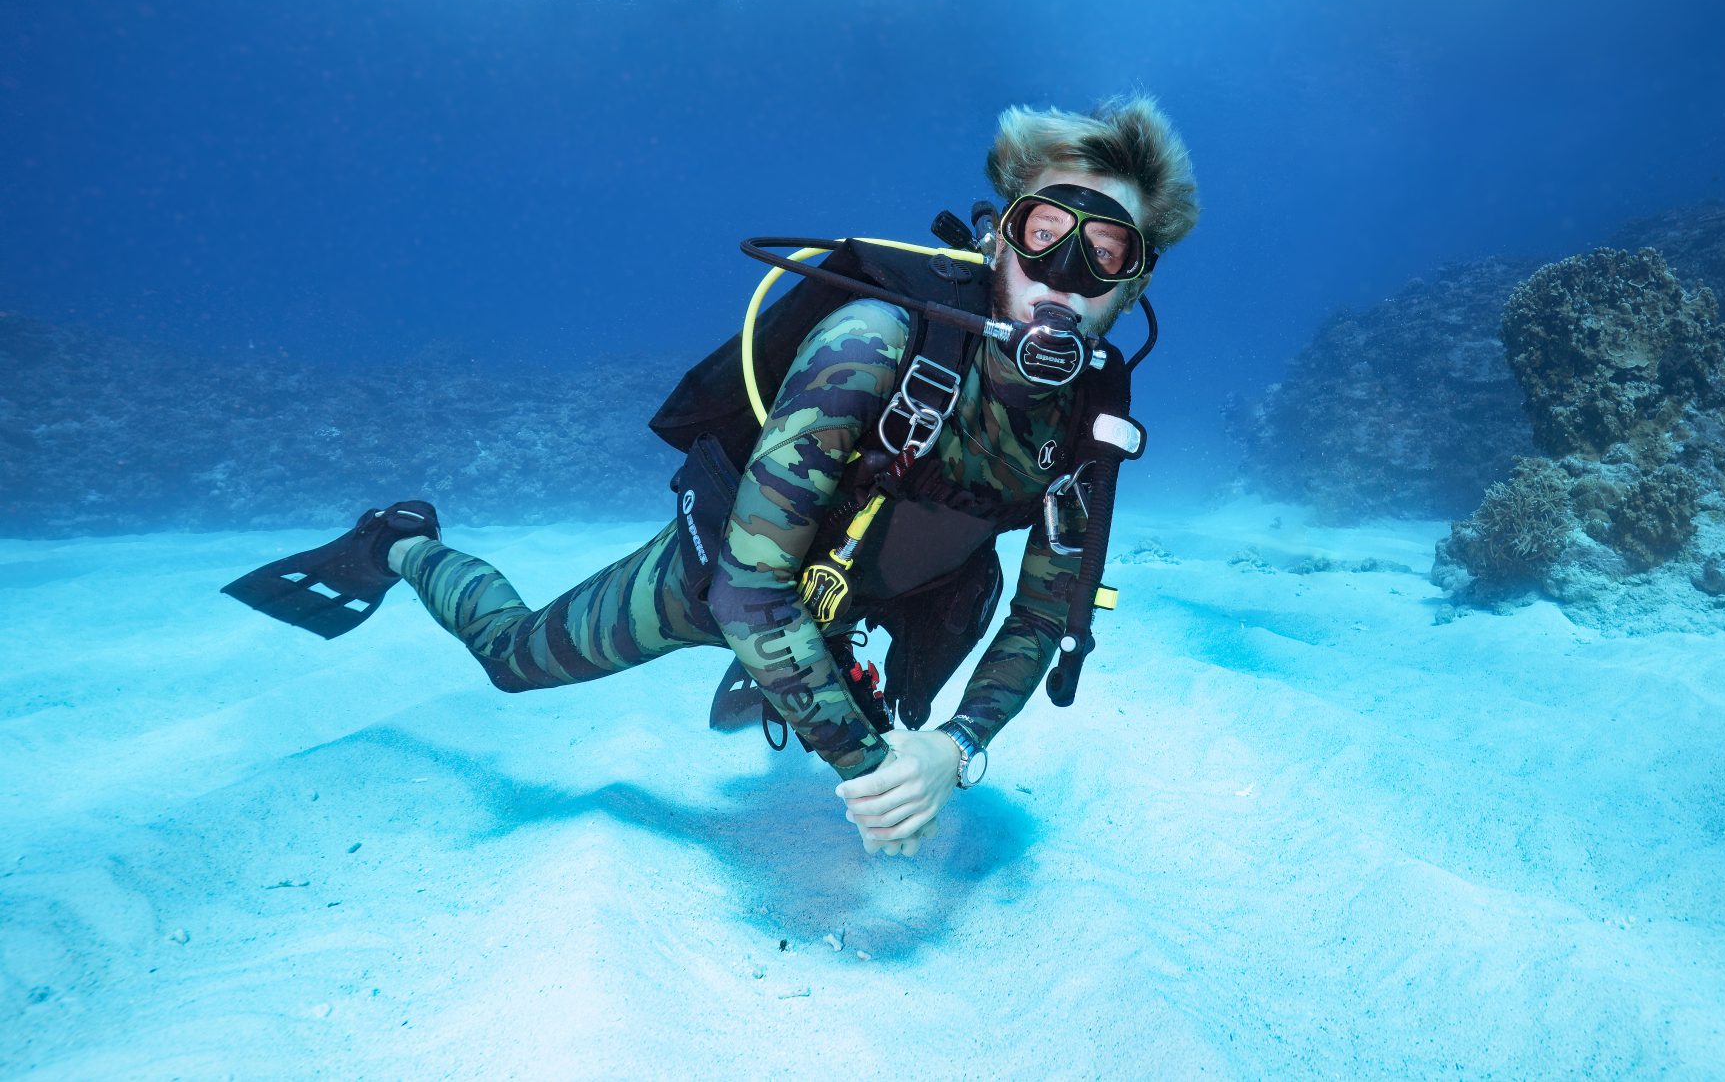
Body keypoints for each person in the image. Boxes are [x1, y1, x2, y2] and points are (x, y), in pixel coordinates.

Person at [223, 96, 1199, 857]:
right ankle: (398, 537)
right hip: (727, 572)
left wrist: (953, 749)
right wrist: (867, 770)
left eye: (1104, 252)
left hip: (898, 586)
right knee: (515, 660)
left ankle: (808, 679)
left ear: (1135, 284)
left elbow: (1040, 618)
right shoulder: (874, 339)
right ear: (998, 236)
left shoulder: (1087, 423)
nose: (1064, 275)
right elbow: (747, 587)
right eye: (1045, 233)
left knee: (920, 674)